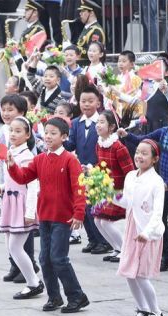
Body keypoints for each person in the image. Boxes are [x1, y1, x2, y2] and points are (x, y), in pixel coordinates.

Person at [8, 117, 90, 313]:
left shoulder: (70, 159)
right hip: (45, 216)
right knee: (45, 259)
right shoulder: (40, 159)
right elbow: (23, 177)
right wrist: (12, 166)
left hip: (63, 217)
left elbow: (79, 187)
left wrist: (79, 213)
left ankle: (76, 296)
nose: (48, 137)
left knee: (59, 258)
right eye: (46, 133)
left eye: (53, 133)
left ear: (64, 137)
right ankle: (54, 298)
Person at [119, 100, 168, 273]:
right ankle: (167, 255)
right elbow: (142, 140)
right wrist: (126, 135)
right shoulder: (163, 132)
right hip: (160, 186)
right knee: (159, 221)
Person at [114, 139, 165, 316]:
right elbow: (126, 201)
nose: (139, 156)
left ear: (154, 159)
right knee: (129, 273)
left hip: (147, 231)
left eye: (144, 153)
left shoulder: (156, 182)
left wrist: (147, 232)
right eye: (137, 152)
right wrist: (106, 193)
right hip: (131, 229)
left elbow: (158, 213)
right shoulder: (130, 176)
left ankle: (156, 312)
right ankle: (142, 308)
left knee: (141, 275)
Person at [64, 85, 112, 255]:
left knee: (96, 208)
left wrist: (97, 167)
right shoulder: (76, 123)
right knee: (83, 207)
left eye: (90, 101)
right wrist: (59, 137)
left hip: (99, 171)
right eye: (83, 101)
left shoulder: (103, 122)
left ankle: (104, 241)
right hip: (81, 171)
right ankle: (92, 239)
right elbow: (71, 145)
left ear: (98, 103)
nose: (86, 104)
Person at [0, 116, 43, 299]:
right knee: (11, 247)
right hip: (10, 202)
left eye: (18, 131)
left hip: (22, 205)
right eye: (11, 130)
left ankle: (33, 283)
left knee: (15, 247)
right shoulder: (11, 152)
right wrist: (0, 188)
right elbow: (10, 180)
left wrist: (30, 211)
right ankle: (33, 281)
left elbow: (33, 186)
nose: (13, 134)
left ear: (27, 135)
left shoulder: (27, 156)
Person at [93, 111, 134, 263]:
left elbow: (129, 172)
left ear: (111, 127)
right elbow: (101, 166)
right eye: (97, 122)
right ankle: (116, 248)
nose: (98, 125)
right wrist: (91, 171)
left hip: (118, 191)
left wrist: (125, 193)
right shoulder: (99, 144)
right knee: (97, 220)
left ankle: (125, 251)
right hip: (105, 190)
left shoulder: (118, 147)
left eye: (102, 122)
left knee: (106, 222)